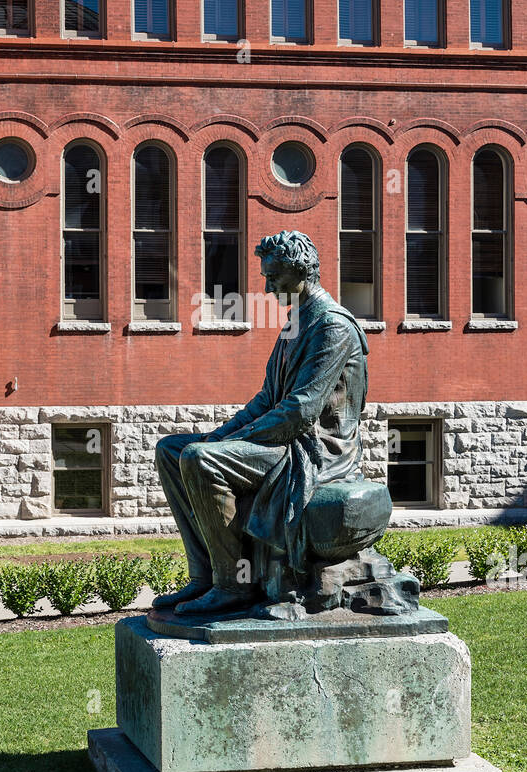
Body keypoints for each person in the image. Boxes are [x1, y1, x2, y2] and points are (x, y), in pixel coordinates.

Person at [154, 230, 369, 615]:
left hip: (316, 453)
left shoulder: (332, 326)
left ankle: (234, 585)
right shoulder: (296, 324)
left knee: (201, 460)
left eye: (275, 278)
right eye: (266, 278)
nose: (268, 288)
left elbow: (302, 410)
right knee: (172, 450)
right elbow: (268, 399)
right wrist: (221, 435)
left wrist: (220, 447)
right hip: (286, 441)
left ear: (303, 272)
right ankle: (204, 577)